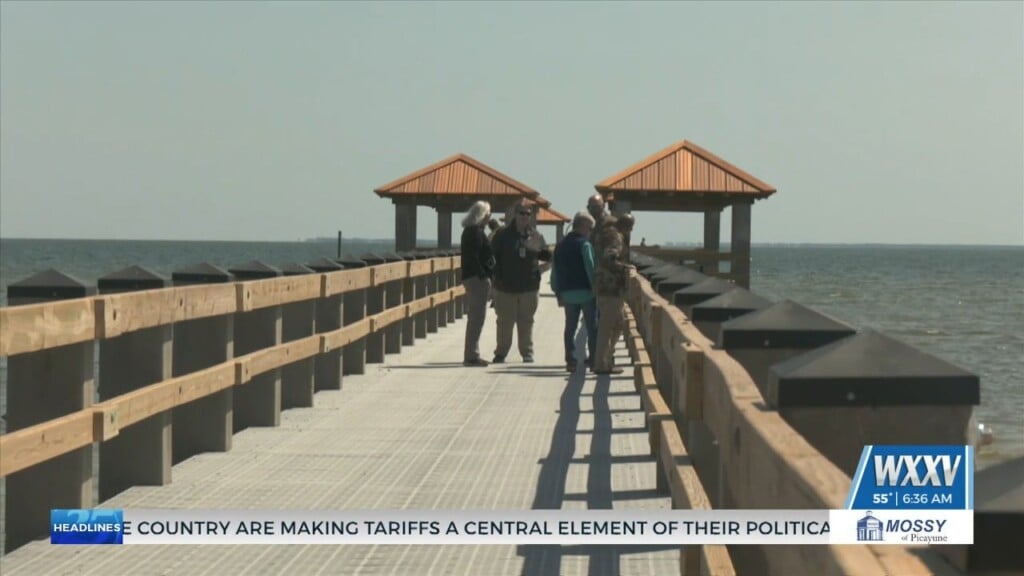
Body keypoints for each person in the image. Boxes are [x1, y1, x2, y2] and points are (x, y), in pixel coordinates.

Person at [490, 199, 551, 363]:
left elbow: (546, 256)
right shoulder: (502, 235)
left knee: (526, 321)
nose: (525, 217)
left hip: (529, 286)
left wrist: (544, 250)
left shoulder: (536, 235)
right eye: (522, 213)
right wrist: (495, 278)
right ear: (515, 215)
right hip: (505, 287)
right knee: (504, 322)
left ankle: (527, 352)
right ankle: (501, 353)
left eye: (528, 214)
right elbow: (491, 257)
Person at [551, 211, 597, 373]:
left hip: (568, 293)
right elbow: (590, 268)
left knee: (570, 327)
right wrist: (595, 288)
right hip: (586, 292)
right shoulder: (585, 244)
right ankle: (593, 359)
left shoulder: (560, 245)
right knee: (592, 327)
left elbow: (554, 271)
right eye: (591, 229)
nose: (591, 232)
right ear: (584, 227)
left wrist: (557, 291)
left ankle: (570, 360)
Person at [592, 213, 635, 375]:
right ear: (625, 226)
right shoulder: (615, 237)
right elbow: (609, 258)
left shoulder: (606, 232)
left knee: (619, 323)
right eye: (630, 228)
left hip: (606, 288)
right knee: (606, 327)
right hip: (611, 288)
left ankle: (606, 360)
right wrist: (626, 268)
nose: (630, 231)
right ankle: (600, 364)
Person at [460, 201, 495, 367]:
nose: (489, 218)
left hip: (471, 277)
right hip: (476, 279)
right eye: (488, 214)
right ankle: (471, 355)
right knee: (476, 318)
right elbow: (473, 257)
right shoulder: (475, 232)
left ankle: (472, 353)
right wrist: (483, 275)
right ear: (482, 215)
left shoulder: (469, 231)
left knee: (475, 317)